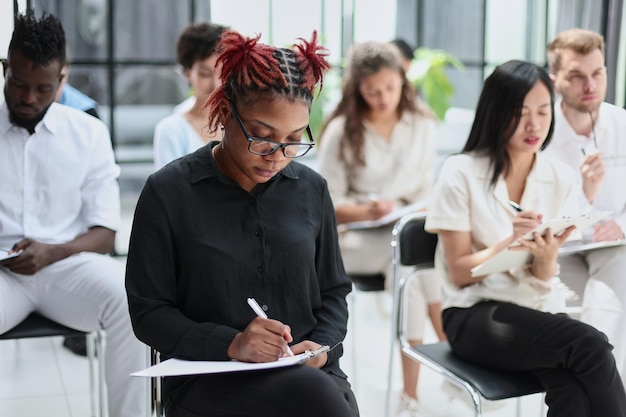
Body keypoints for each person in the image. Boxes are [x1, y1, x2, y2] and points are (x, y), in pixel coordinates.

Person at [125, 30, 359, 417]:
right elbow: (149, 313)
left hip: (309, 371)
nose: (277, 156)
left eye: (293, 139)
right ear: (225, 110)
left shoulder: (312, 190)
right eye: (262, 137)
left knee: (317, 395)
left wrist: (320, 348)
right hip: (211, 376)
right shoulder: (168, 193)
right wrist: (231, 343)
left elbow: (333, 292)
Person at [425, 59, 626, 416]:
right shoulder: (461, 171)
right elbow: (457, 272)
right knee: (591, 345)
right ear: (496, 113)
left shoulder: (559, 176)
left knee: (574, 390)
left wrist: (546, 255)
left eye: (544, 112)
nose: (534, 124)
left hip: (535, 310)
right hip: (471, 313)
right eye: (520, 113)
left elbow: (543, 277)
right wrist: (509, 243)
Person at [0, 10, 146, 417]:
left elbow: (105, 234)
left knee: (132, 299)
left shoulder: (88, 133)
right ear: (5, 68)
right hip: (1, 275)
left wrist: (51, 252)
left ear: (63, 79)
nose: (29, 98)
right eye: (20, 84)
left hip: (66, 266)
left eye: (43, 88)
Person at [317, 41, 445, 417]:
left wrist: (408, 208)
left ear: (402, 80)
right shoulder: (341, 130)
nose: (384, 97)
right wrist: (364, 210)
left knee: (415, 264)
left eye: (391, 87)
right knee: (413, 266)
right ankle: (446, 365)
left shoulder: (421, 123)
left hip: (404, 226)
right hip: (355, 238)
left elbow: (425, 188)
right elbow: (326, 206)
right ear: (358, 88)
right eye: (373, 91)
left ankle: (415, 392)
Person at [543, 28, 626, 386]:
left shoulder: (622, 123)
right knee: (576, 322)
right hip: (562, 251)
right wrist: (585, 195)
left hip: (613, 247)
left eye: (597, 73)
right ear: (555, 80)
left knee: (612, 297)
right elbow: (538, 218)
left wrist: (624, 226)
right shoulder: (539, 134)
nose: (590, 85)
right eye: (576, 76)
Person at [153, 22, 227, 170]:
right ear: (188, 73)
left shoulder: (243, 122)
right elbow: (167, 188)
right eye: (205, 74)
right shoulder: (171, 130)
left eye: (223, 72)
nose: (216, 84)